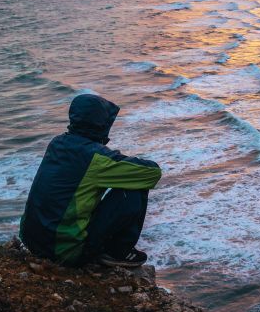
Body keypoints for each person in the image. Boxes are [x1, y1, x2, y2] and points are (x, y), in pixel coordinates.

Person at [20, 93, 162, 268]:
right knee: (134, 188)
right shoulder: (96, 158)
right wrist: (114, 157)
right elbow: (152, 173)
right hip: (63, 251)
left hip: (31, 240)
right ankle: (118, 252)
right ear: (101, 124)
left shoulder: (57, 143)